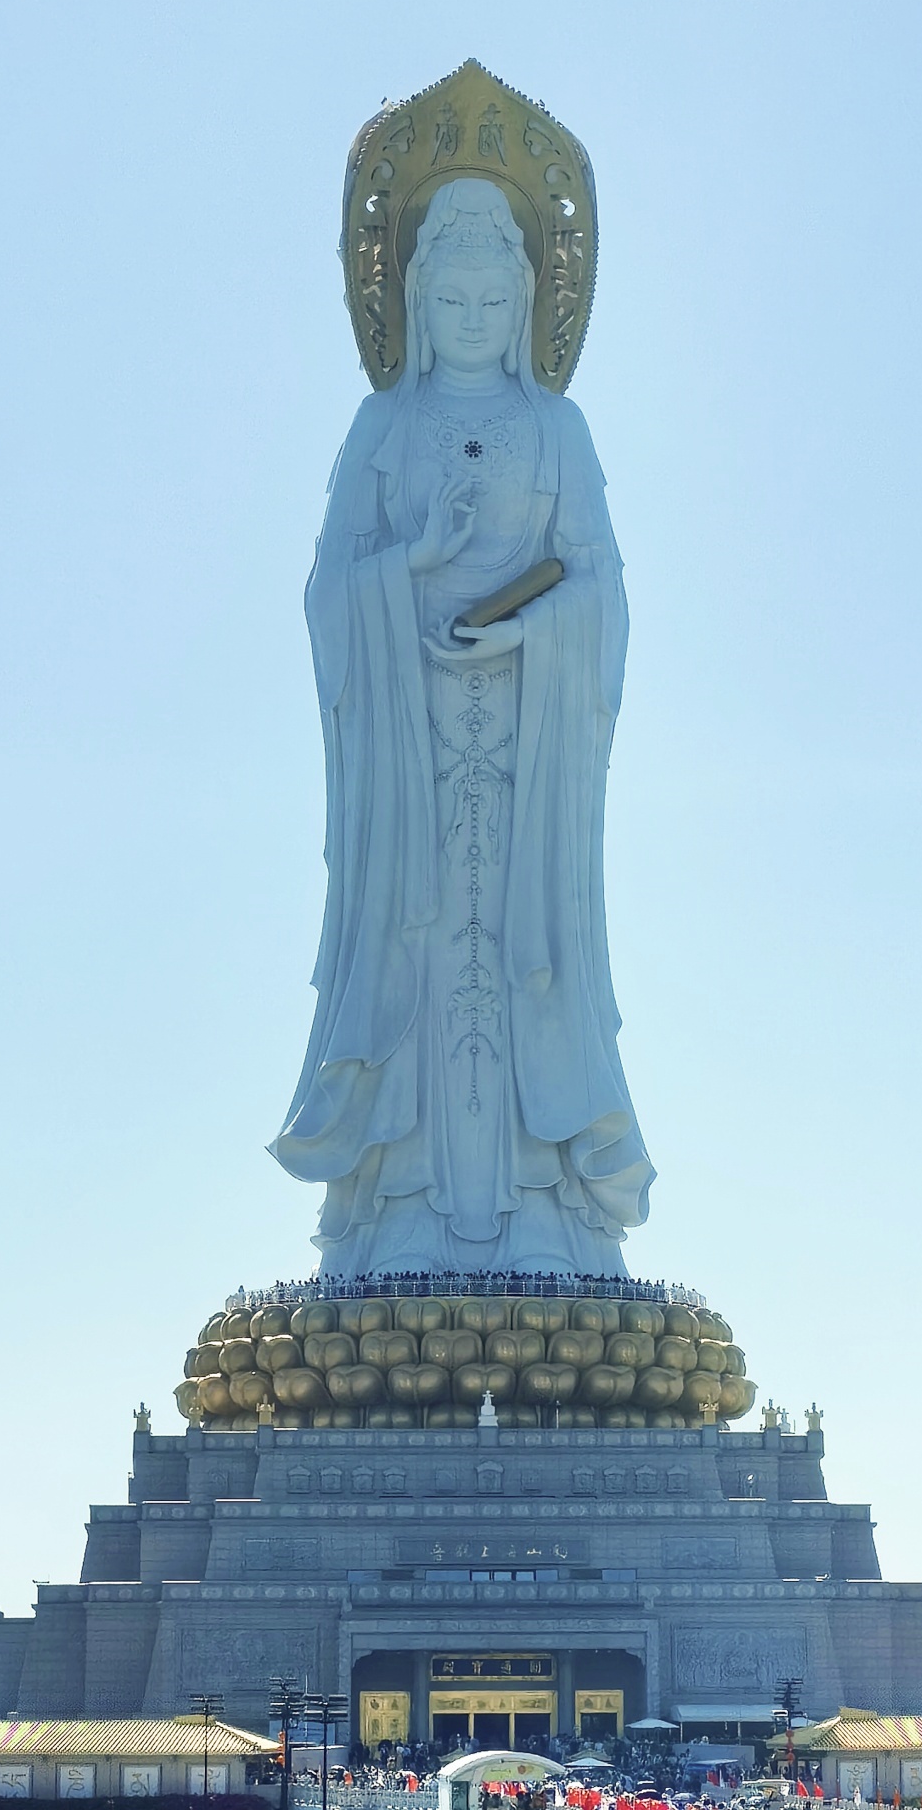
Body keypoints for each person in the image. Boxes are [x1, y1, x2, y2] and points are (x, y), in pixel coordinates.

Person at [271, 178, 654, 1277]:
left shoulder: (558, 429)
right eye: (456, 304)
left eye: (496, 304)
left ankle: (545, 1198)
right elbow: (326, 591)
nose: (477, 323)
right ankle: (401, 1204)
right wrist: (416, 569)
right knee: (418, 945)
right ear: (419, 302)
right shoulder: (384, 424)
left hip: (531, 755)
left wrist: (531, 632)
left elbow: (606, 589)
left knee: (529, 953)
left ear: (527, 307)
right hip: (410, 757)